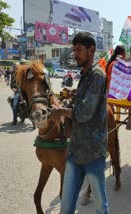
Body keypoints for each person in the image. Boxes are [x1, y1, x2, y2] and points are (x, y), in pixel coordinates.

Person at [49, 31, 109, 214]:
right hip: (75, 151)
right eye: (74, 50)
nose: (75, 54)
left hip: (93, 152)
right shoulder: (84, 74)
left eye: (79, 50)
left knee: (100, 207)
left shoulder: (97, 75)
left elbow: (84, 112)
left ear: (91, 50)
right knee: (66, 206)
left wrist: (61, 111)